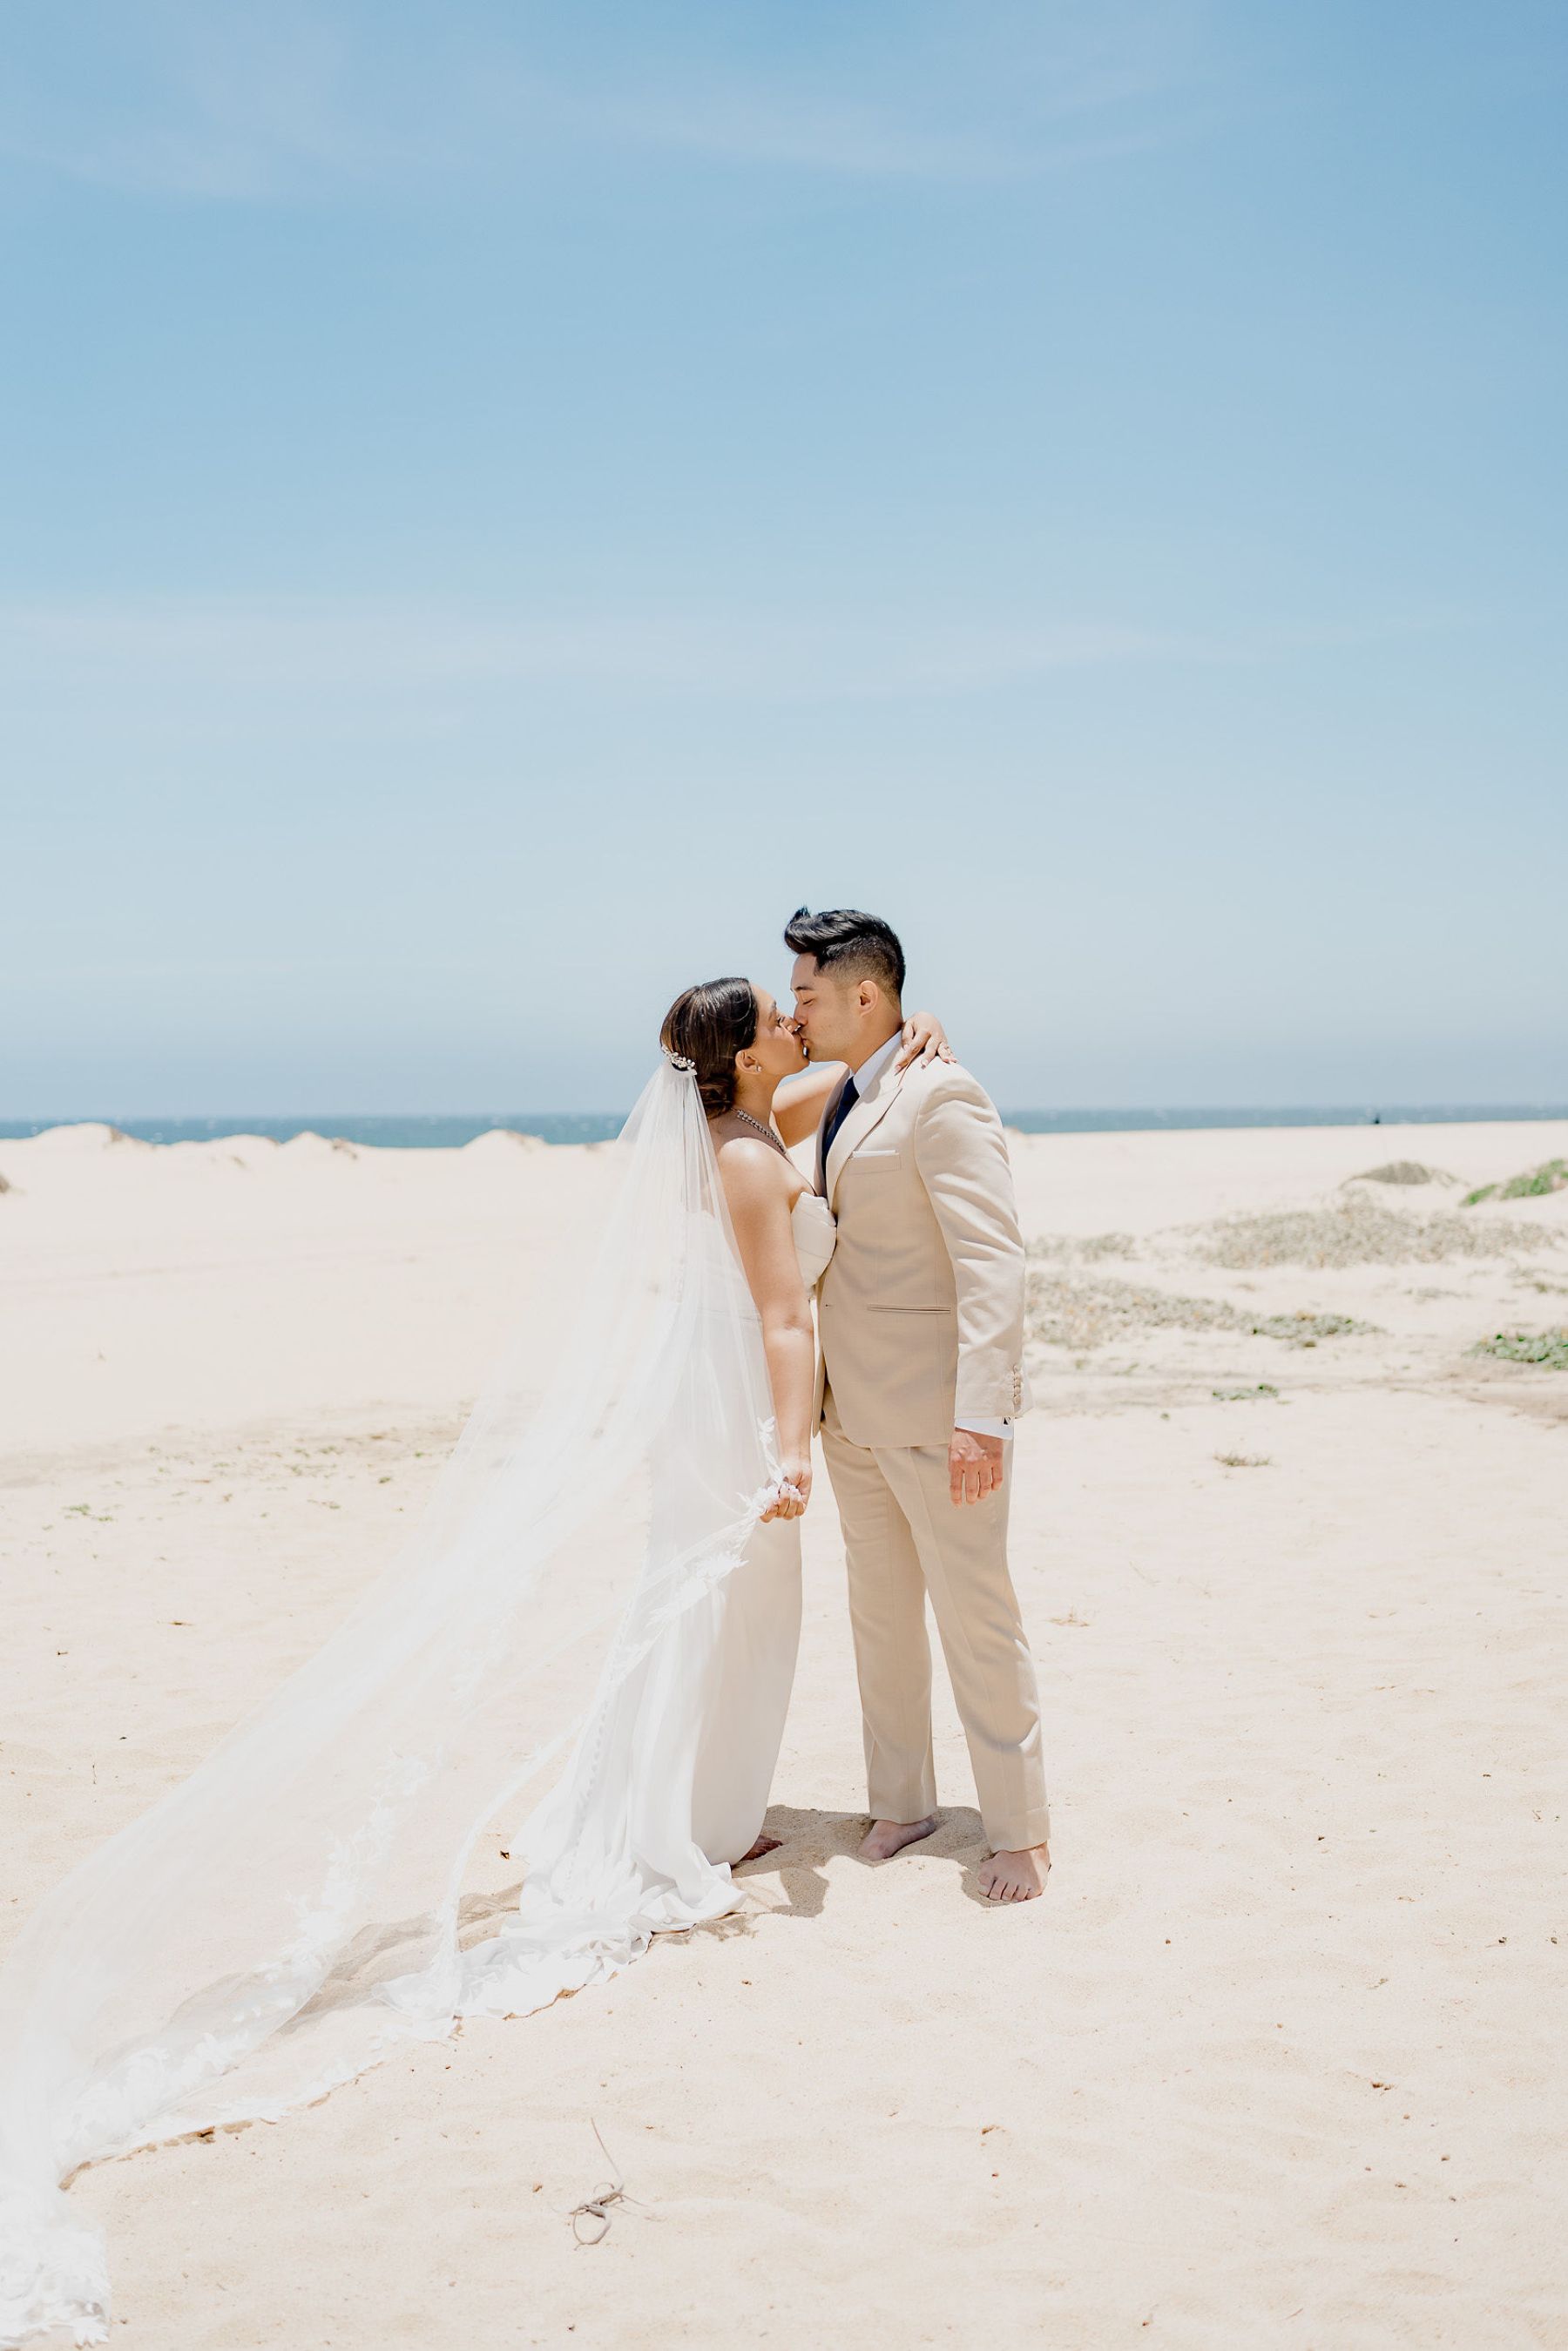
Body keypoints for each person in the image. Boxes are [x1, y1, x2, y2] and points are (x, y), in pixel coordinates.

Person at [783, 906, 1051, 1903]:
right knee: (881, 1616)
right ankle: (902, 1802)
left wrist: (984, 1414)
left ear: (865, 994)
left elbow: (993, 1260)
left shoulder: (944, 1095)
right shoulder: (845, 1092)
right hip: (849, 1411)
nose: (794, 1011)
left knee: (977, 1619)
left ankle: (1020, 1831)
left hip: (941, 1417)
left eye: (807, 993)